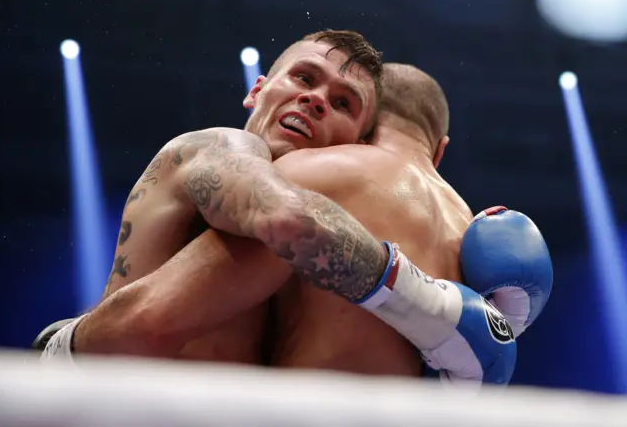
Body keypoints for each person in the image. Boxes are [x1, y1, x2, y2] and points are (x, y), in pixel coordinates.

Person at [41, 61, 547, 385]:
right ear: (440, 151)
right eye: (304, 79)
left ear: (360, 132)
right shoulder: (472, 234)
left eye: (343, 102)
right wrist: (442, 310)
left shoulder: (299, 174)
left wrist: (60, 349)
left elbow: (150, 322)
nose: (316, 101)